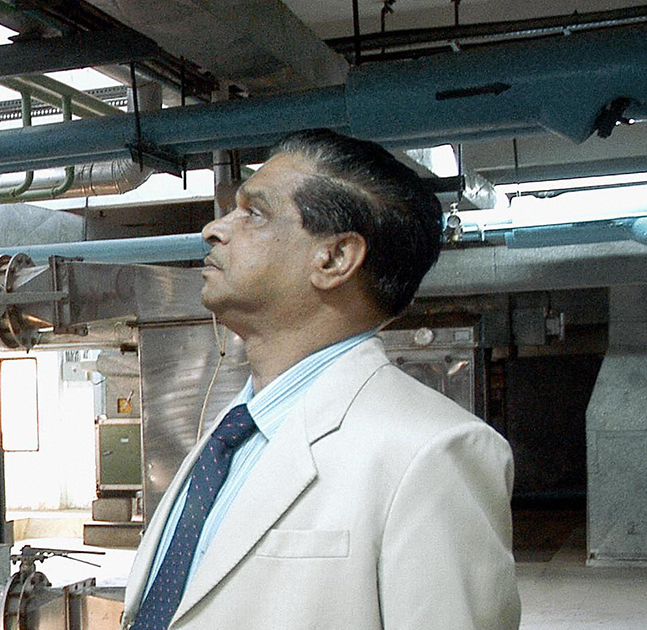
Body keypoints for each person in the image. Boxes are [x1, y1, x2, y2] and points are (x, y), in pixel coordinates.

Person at [120, 129, 519, 630]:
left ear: (333, 259)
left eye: (254, 213)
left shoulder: (433, 453)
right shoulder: (233, 431)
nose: (214, 229)